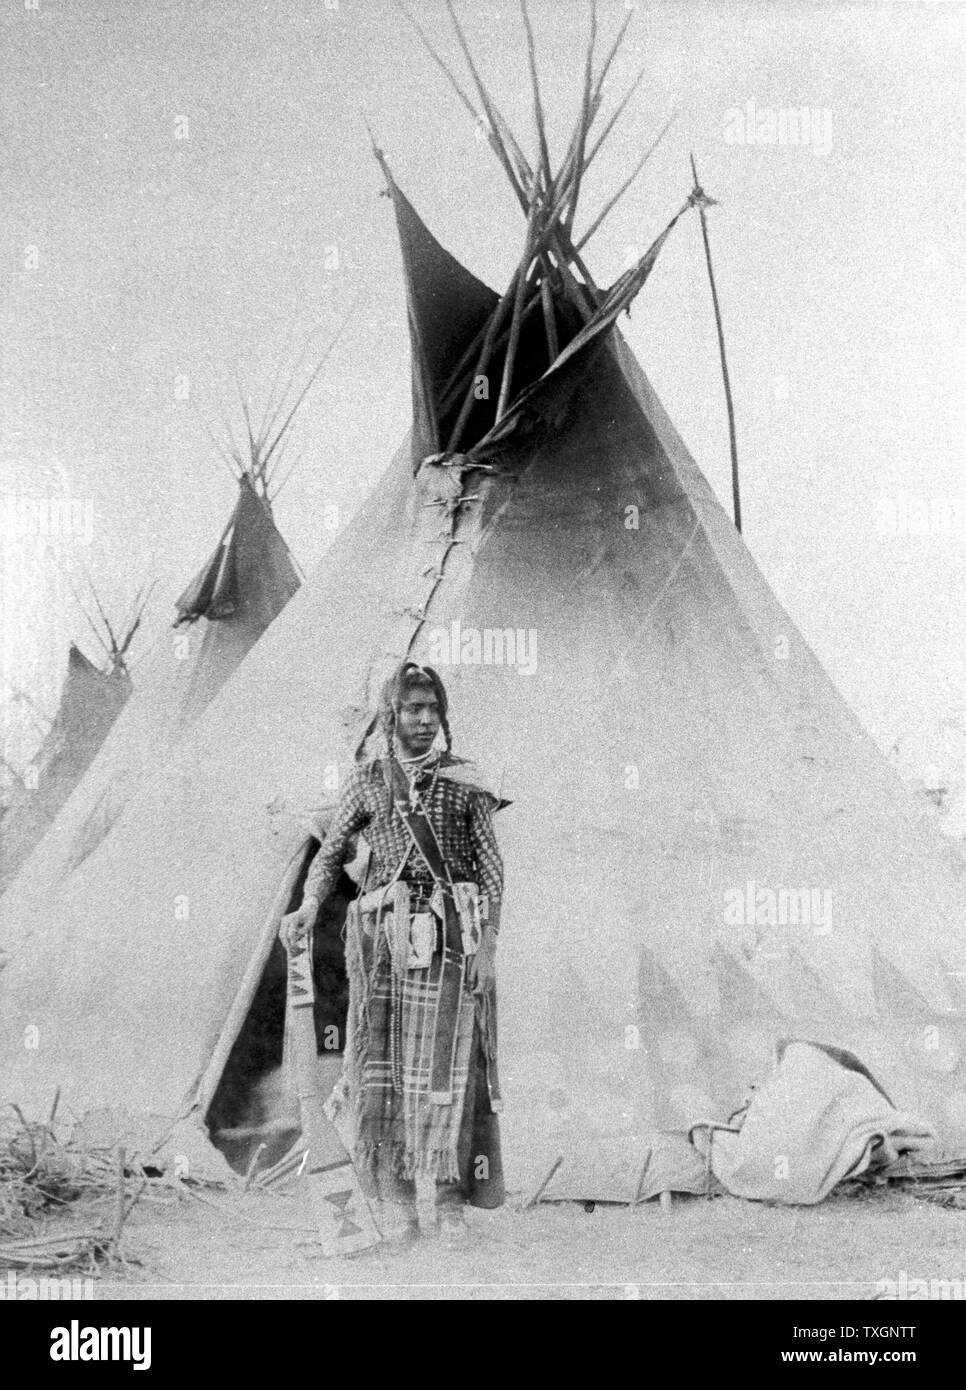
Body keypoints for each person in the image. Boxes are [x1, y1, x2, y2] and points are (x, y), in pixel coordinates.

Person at [280, 660, 505, 1247]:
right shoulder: (368, 781)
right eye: (413, 709)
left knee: (450, 1075)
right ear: (392, 716)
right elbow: (330, 856)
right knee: (385, 1077)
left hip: (455, 943)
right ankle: (399, 1204)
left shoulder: (465, 781)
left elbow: (492, 868)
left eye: (433, 709)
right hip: (383, 949)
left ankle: (452, 1206)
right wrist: (308, 906)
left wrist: (490, 947)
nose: (425, 719)